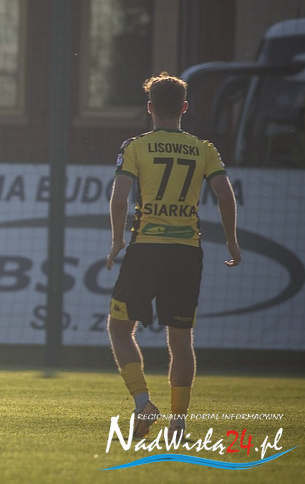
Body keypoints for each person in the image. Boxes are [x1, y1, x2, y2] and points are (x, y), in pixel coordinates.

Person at [105, 71, 241, 440]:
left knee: (119, 329)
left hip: (146, 248)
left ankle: (143, 403)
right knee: (181, 340)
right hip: (186, 252)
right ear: (184, 108)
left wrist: (117, 240)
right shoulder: (204, 149)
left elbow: (119, 199)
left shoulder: (135, 146)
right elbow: (225, 196)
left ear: (150, 107)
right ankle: (178, 423)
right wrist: (231, 241)